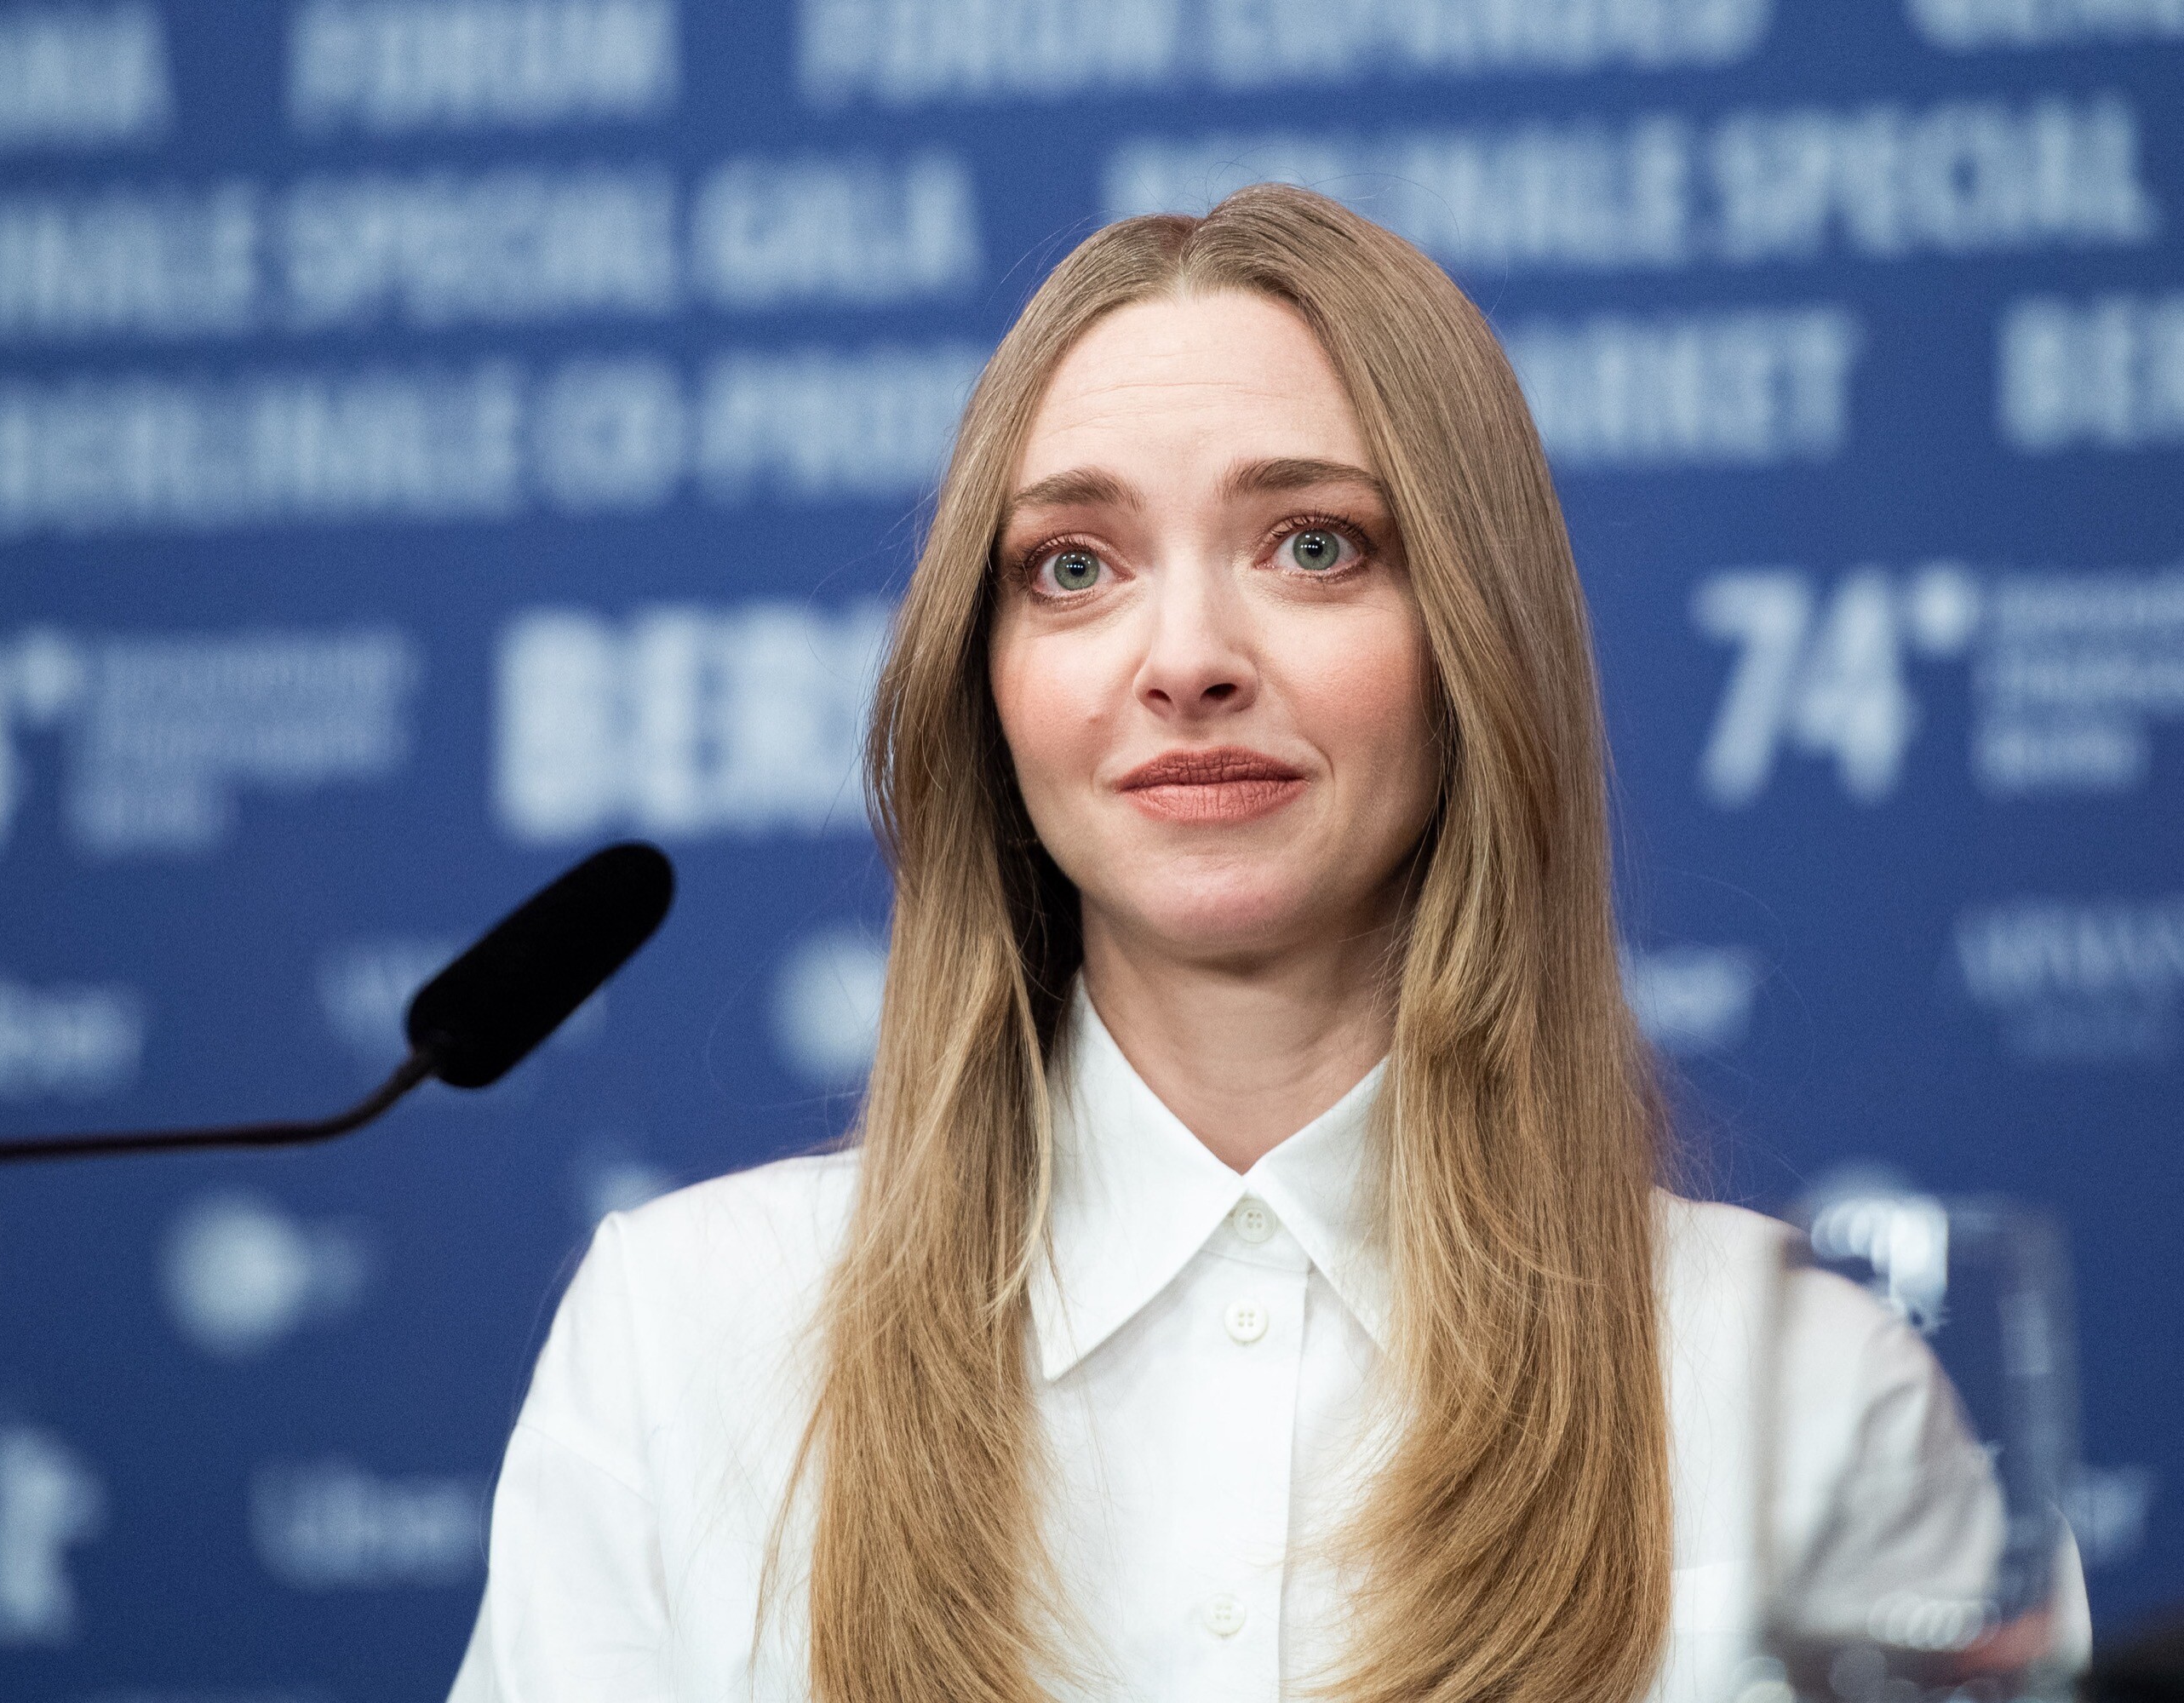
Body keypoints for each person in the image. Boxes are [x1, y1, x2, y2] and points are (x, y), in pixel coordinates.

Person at [447, 186, 2087, 1703]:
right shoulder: (683, 1339)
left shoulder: (1812, 1392)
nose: (1187, 660)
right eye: (1074, 568)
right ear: (983, 683)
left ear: (1475, 640)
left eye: (1314, 545)